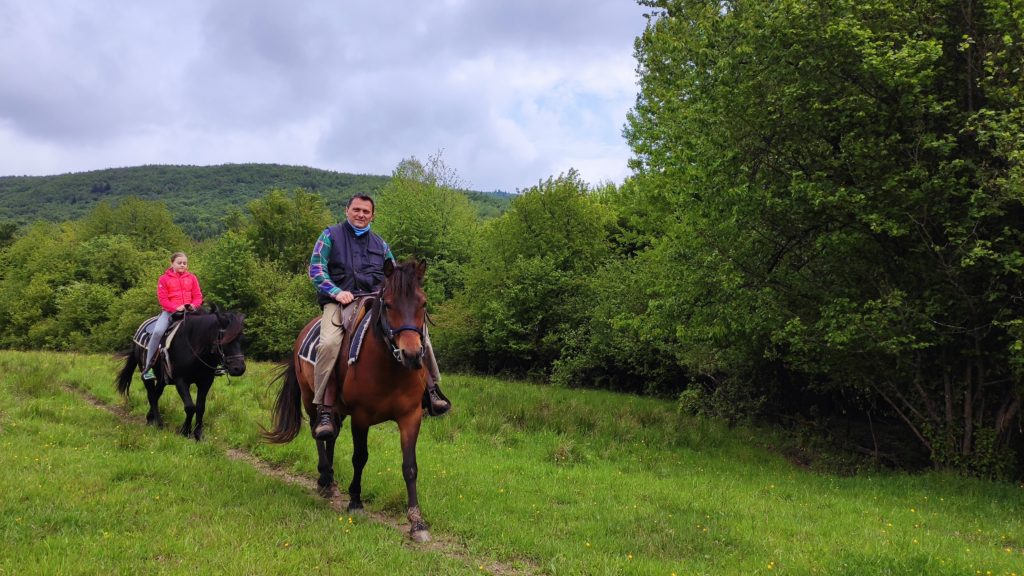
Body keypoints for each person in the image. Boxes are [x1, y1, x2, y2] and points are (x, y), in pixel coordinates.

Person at [309, 194, 450, 438]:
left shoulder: (380, 244)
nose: (361, 215)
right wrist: (336, 292)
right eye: (356, 210)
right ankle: (325, 406)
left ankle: (432, 390)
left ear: (372, 215)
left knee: (420, 335)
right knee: (329, 343)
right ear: (347, 211)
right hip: (340, 300)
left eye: (366, 211)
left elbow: (394, 277)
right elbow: (316, 270)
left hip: (376, 299)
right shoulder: (330, 236)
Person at [143, 252, 204, 380]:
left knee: (210, 327)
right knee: (158, 332)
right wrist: (175, 307)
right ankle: (148, 368)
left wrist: (194, 305)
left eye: (185, 263)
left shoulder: (192, 278)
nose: (182, 265)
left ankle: (217, 363)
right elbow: (163, 300)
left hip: (190, 312)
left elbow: (198, 296)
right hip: (170, 312)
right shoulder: (164, 279)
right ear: (172, 264)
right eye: (179, 263)